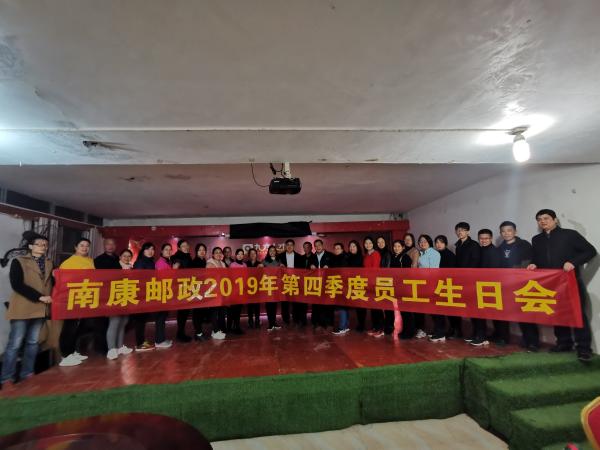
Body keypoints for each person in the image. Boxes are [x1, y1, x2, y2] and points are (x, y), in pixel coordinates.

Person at [527, 209, 597, 362]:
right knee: (557, 314)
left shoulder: (570, 235)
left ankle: (584, 349)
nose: (542, 221)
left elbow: (590, 251)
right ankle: (564, 343)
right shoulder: (537, 239)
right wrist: (533, 264)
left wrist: (573, 262)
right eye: (539, 219)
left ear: (555, 220)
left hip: (571, 281)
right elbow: (536, 258)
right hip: (551, 284)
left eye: (546, 218)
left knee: (577, 314)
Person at [1, 233, 53, 388]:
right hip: (23, 307)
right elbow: (17, 285)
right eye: (39, 244)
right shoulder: (19, 261)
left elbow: (56, 282)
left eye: (45, 244)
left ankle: (28, 373)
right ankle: (6, 378)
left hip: (40, 309)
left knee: (33, 343)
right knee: (15, 344)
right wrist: (39, 297)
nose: (43, 247)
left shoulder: (49, 263)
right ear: (30, 246)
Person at [498, 221, 538, 351]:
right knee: (503, 312)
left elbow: (527, 263)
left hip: (522, 284)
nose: (506, 233)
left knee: (525, 313)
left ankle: (532, 341)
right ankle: (503, 337)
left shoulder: (524, 245)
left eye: (509, 230)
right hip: (505, 285)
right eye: (503, 231)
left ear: (515, 231)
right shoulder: (500, 248)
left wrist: (513, 274)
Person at [58, 238, 95, 367]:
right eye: (81, 245)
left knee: (80, 325)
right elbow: (63, 281)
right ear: (75, 247)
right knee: (69, 326)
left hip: (86, 297)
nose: (84, 248)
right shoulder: (68, 263)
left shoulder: (90, 261)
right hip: (71, 297)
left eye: (87, 246)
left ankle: (73, 351)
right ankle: (65, 355)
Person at [472, 229, 501, 347]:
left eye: (486, 238)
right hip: (480, 286)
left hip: (490, 287)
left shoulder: (494, 251)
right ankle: (481, 335)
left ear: (491, 238)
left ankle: (483, 336)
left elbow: (494, 271)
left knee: (491, 314)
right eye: (481, 238)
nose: (483, 240)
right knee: (480, 313)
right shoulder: (480, 250)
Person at [454, 222, 481, 341]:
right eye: (458, 230)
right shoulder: (458, 245)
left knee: (476, 308)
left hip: (471, 281)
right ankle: (474, 333)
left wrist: (467, 276)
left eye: (463, 230)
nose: (460, 232)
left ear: (468, 231)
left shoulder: (474, 245)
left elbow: (475, 262)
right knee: (469, 308)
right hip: (462, 281)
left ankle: (479, 334)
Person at [105, 249, 134, 360]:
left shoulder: (131, 268)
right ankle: (111, 349)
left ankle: (120, 346)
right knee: (115, 322)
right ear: (120, 257)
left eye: (129, 256)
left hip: (126, 297)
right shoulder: (115, 267)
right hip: (114, 298)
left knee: (123, 322)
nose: (126, 258)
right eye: (124, 256)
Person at [93, 238, 120, 354]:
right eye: (108, 244)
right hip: (103, 294)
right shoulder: (98, 260)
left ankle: (114, 346)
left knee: (115, 321)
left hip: (117, 293)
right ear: (104, 246)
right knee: (102, 322)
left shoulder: (118, 259)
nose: (110, 246)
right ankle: (102, 348)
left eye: (113, 244)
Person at [430, 235, 456, 342]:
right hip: (436, 284)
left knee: (449, 310)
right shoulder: (435, 254)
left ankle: (453, 330)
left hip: (446, 285)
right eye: (437, 242)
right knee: (436, 308)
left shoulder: (450, 255)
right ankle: (440, 329)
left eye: (441, 242)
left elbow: (451, 273)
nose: (438, 244)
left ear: (445, 243)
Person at [132, 242, 157, 352]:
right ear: (143, 251)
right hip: (140, 295)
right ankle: (139, 344)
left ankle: (142, 341)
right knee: (139, 320)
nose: (150, 251)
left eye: (152, 249)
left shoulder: (150, 261)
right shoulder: (140, 262)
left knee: (143, 319)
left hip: (147, 293)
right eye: (148, 249)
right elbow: (138, 279)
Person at [417, 235, 441, 340]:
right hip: (422, 284)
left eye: (425, 241)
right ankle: (436, 330)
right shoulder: (422, 253)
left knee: (435, 309)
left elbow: (434, 271)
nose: (422, 243)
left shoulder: (434, 253)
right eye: (420, 241)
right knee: (430, 309)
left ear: (429, 242)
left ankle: (440, 333)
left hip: (431, 284)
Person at [278, 239, 306, 326]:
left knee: (296, 301)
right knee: (285, 302)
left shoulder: (299, 257)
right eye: (288, 245)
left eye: (291, 245)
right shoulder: (280, 257)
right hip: (284, 281)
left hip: (295, 281)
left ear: (294, 246)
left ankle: (295, 318)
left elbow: (302, 271)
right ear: (285, 246)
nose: (289, 246)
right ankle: (286, 319)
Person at [152, 243, 175, 349]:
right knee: (160, 318)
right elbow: (164, 278)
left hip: (165, 293)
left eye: (170, 250)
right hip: (161, 293)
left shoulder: (166, 261)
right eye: (166, 249)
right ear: (161, 251)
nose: (168, 251)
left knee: (163, 317)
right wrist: (174, 269)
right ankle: (159, 341)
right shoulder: (160, 262)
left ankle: (161, 339)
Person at [402, 233, 424, 337]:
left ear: (413, 241)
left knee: (416, 307)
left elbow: (414, 267)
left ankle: (420, 328)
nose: (407, 241)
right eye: (405, 239)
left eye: (409, 239)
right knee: (408, 306)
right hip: (404, 283)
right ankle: (412, 327)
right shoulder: (403, 251)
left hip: (413, 282)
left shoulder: (414, 251)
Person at [171, 240, 193, 343]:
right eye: (183, 246)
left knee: (185, 312)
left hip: (188, 286)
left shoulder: (188, 256)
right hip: (181, 287)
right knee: (182, 312)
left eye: (187, 245)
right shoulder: (176, 257)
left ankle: (181, 333)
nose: (186, 247)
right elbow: (175, 271)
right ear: (179, 248)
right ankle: (180, 334)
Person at [308, 239, 333, 330]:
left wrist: (329, 267)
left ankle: (328, 323)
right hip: (316, 283)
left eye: (319, 245)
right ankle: (316, 323)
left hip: (327, 283)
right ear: (314, 247)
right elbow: (306, 270)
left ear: (322, 245)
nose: (318, 247)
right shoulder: (311, 256)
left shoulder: (330, 255)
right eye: (316, 245)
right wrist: (310, 266)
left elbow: (336, 267)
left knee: (328, 304)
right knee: (316, 304)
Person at [390, 240, 412, 338]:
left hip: (404, 286)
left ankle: (409, 332)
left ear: (403, 247)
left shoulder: (405, 257)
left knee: (406, 310)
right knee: (400, 310)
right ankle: (403, 329)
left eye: (399, 246)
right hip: (396, 286)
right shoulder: (393, 257)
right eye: (395, 246)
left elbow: (406, 273)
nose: (396, 248)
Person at [363, 236, 383, 338]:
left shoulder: (376, 254)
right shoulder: (366, 255)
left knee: (377, 307)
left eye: (370, 243)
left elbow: (375, 269)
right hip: (368, 283)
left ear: (373, 244)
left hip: (375, 283)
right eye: (366, 243)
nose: (368, 245)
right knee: (372, 306)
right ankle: (375, 327)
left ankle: (380, 328)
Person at [205, 247, 227, 339]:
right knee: (214, 311)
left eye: (220, 252)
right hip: (213, 290)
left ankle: (218, 329)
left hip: (221, 290)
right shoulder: (210, 263)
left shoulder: (222, 263)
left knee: (221, 311)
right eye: (216, 252)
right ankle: (215, 331)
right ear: (213, 254)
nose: (218, 254)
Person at [331, 243, 350, 335]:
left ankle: (342, 327)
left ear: (342, 249)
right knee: (344, 306)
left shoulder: (344, 258)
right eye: (335, 248)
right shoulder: (336, 258)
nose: (336, 250)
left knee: (342, 306)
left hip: (343, 285)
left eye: (338, 248)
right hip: (338, 284)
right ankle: (345, 326)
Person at [376, 236, 394, 336]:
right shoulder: (377, 253)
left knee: (388, 307)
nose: (380, 244)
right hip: (379, 281)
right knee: (380, 305)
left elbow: (387, 268)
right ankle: (383, 325)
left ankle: (389, 326)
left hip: (386, 282)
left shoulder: (388, 253)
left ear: (385, 243)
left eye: (382, 241)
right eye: (378, 242)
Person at [262, 245, 282, 331]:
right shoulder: (264, 261)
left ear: (276, 252)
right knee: (269, 305)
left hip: (276, 286)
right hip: (268, 286)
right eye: (271, 250)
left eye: (274, 250)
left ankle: (274, 322)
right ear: (268, 252)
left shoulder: (279, 261)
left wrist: (283, 266)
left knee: (274, 305)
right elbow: (260, 271)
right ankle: (270, 323)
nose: (272, 252)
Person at [190, 243, 208, 340]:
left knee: (201, 312)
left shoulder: (204, 261)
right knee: (197, 312)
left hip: (203, 289)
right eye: (200, 250)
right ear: (196, 252)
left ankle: (199, 331)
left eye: (203, 250)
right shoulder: (194, 262)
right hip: (196, 290)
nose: (202, 252)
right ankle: (198, 333)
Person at [347, 240, 365, 332]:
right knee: (356, 304)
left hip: (360, 283)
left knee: (361, 305)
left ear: (357, 247)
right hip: (351, 283)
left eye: (354, 246)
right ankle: (359, 323)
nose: (352, 248)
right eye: (350, 246)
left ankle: (362, 324)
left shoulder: (362, 257)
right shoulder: (347, 257)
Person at [227, 249, 246, 334]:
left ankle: (237, 327)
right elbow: (230, 277)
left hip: (241, 291)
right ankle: (229, 327)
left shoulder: (244, 265)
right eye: (238, 254)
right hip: (233, 291)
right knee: (232, 311)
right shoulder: (232, 265)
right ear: (235, 255)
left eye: (242, 254)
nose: (240, 256)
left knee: (238, 310)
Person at [246, 248, 262, 328]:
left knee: (257, 305)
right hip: (248, 287)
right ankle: (250, 320)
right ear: (249, 255)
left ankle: (257, 320)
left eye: (254, 253)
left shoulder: (260, 263)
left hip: (257, 287)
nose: (253, 255)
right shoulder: (246, 264)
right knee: (249, 305)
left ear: (256, 255)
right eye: (251, 253)